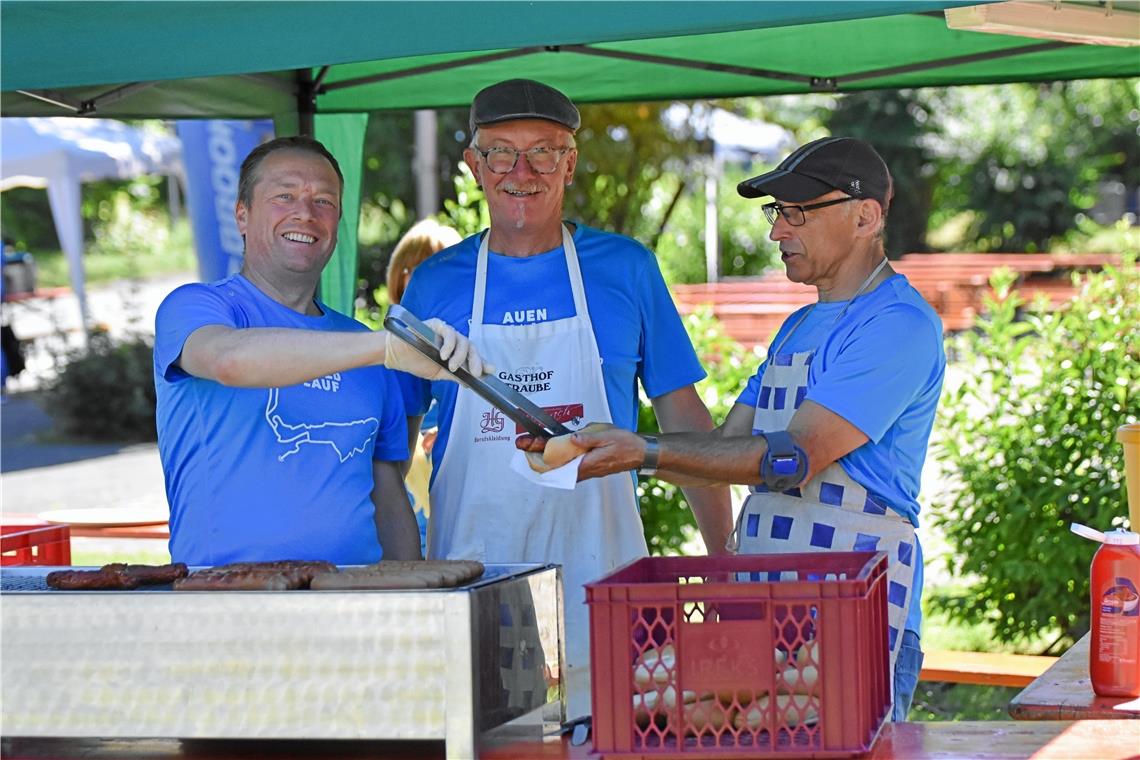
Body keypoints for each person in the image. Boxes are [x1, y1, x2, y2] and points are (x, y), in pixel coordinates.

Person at [522, 136, 946, 721]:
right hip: (766, 606)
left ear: (865, 216)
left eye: (797, 212)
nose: (777, 232)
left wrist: (642, 452)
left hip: (850, 611)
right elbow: (723, 449)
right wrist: (603, 443)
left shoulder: (898, 325)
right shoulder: (798, 327)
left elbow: (792, 457)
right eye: (777, 213)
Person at [396, 79, 733, 721]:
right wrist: (404, 578)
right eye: (500, 153)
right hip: (474, 580)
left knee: (614, 739)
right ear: (473, 164)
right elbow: (394, 450)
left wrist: (726, 556)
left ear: (570, 163)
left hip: (603, 577)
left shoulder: (626, 269)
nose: (521, 172)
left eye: (544, 152)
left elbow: (684, 420)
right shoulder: (435, 284)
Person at [153, 136, 486, 567]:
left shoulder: (368, 351)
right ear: (242, 215)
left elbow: (386, 493)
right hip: (227, 602)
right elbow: (228, 359)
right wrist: (385, 347)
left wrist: (410, 589)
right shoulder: (197, 307)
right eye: (284, 195)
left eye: (324, 201)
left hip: (355, 606)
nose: (305, 213)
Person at [385, 218, 463, 551]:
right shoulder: (379, 354)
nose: (421, 280)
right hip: (406, 532)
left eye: (435, 268)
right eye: (411, 269)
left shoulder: (470, 355)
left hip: (461, 522)